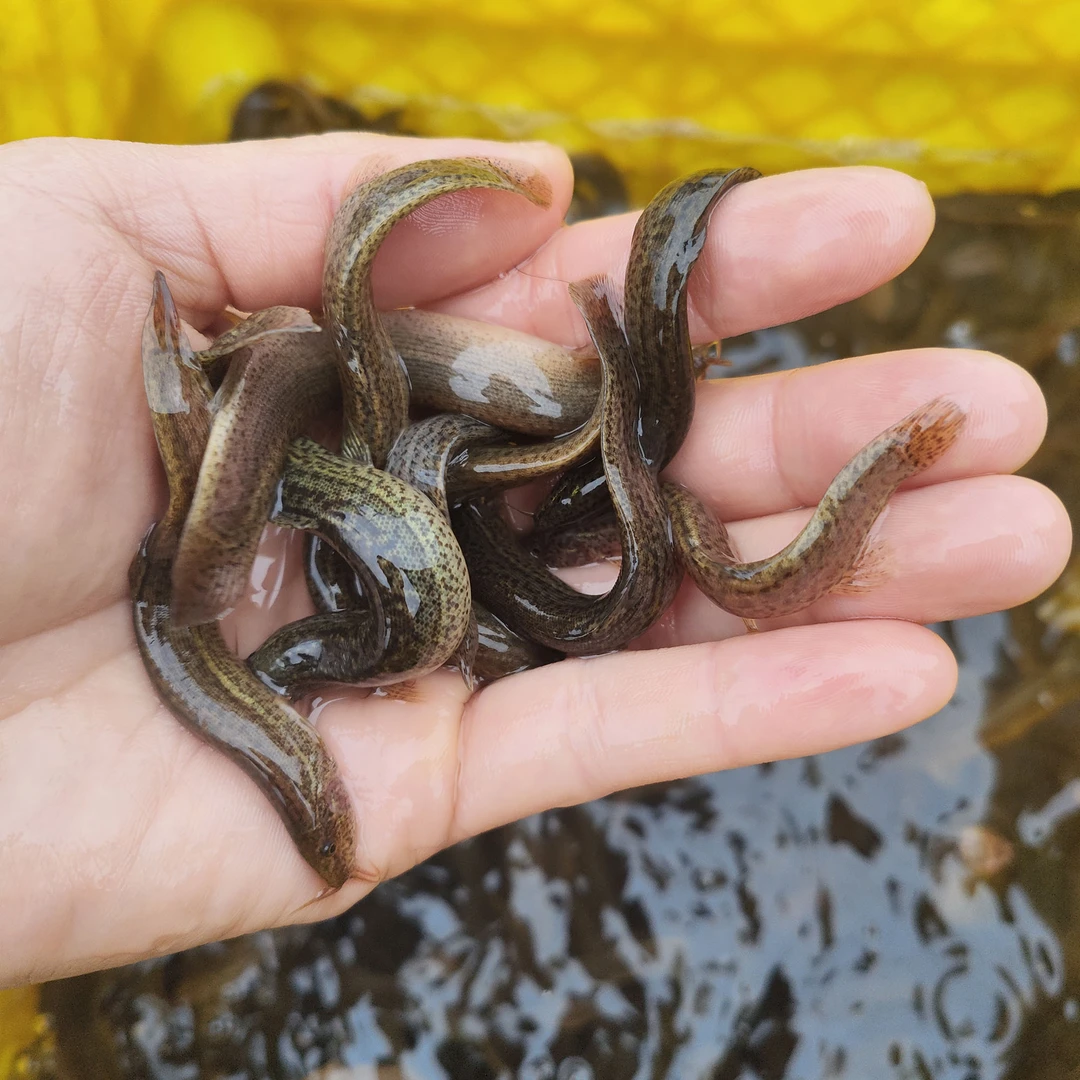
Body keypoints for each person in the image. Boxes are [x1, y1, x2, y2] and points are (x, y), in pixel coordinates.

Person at [0, 133, 1069, 989]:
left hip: (446, 504)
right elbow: (267, 535)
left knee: (556, 442)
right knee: (508, 451)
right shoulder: (328, 453)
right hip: (394, 523)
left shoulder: (459, 452)